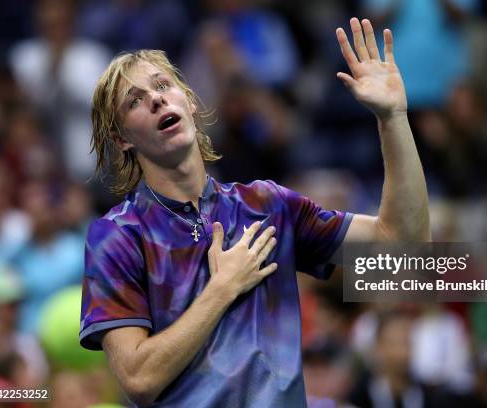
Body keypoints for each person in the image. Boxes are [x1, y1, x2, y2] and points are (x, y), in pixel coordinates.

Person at [79, 18, 429, 407]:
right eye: (135, 100)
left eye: (163, 86)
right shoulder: (116, 236)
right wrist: (222, 288)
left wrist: (393, 119)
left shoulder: (267, 205)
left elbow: (402, 248)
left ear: (190, 102)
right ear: (121, 139)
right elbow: (138, 379)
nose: (157, 99)